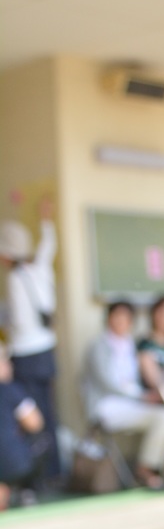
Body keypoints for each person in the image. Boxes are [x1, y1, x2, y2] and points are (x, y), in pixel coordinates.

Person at [82, 299, 164, 488]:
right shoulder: (99, 346)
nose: (121, 321)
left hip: (134, 403)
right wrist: (142, 397)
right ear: (109, 319)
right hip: (108, 405)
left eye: (126, 317)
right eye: (117, 316)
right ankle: (145, 469)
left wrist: (151, 395)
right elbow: (108, 383)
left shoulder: (132, 344)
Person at [0, 198, 61, 481]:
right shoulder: (40, 267)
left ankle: (34, 477)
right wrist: (45, 219)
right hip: (47, 351)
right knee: (48, 414)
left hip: (25, 355)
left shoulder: (14, 278)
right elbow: (49, 244)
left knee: (28, 418)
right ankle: (53, 471)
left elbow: (17, 322)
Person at [0, 345, 48, 510]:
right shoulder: (10, 389)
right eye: (5, 362)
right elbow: (36, 424)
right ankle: (26, 491)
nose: (9, 366)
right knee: (42, 441)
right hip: (13, 465)